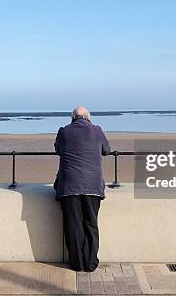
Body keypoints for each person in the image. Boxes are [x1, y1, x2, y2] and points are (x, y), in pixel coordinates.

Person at [54, 106, 110, 272]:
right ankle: (91, 262)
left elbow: (58, 150)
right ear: (88, 117)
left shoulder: (64, 131)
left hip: (70, 185)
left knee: (73, 225)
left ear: (73, 117)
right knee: (91, 224)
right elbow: (106, 150)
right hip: (93, 185)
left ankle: (77, 263)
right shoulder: (97, 130)